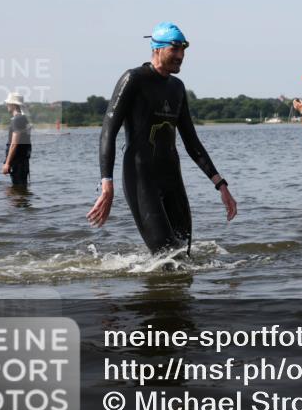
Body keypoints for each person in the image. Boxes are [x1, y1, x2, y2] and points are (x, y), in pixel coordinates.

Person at [86, 22, 237, 254]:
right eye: (175, 49)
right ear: (157, 48)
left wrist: (221, 185)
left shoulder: (177, 87)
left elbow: (192, 141)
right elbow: (108, 130)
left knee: (182, 254)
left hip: (171, 178)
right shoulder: (133, 79)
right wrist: (107, 183)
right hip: (140, 178)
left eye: (183, 49)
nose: (181, 55)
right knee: (166, 256)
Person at [1, 92, 32, 187]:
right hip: (22, 161)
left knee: (18, 191)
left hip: (18, 162)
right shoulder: (22, 118)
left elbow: (14, 143)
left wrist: (7, 163)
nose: (6, 105)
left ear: (13, 105)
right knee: (21, 190)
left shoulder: (17, 120)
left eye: (8, 103)